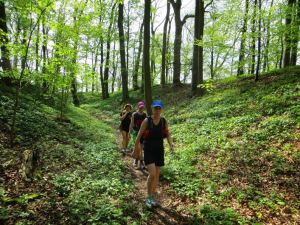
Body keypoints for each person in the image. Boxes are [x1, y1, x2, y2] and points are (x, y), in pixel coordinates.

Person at [134, 100, 174, 208]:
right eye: (155, 108)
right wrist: (135, 149)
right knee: (152, 174)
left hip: (159, 150)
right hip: (149, 149)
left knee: (156, 175)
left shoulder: (163, 121)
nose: (157, 110)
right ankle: (148, 197)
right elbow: (139, 134)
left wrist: (171, 144)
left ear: (161, 109)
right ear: (152, 109)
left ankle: (152, 196)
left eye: (159, 108)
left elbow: (167, 134)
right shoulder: (147, 121)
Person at [130, 101, 147, 169]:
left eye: (142, 107)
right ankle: (136, 160)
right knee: (137, 147)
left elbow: (146, 124)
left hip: (143, 132)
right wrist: (130, 130)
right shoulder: (134, 114)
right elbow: (132, 122)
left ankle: (141, 161)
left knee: (141, 147)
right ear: (138, 107)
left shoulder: (145, 114)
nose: (141, 108)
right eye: (140, 107)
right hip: (136, 132)